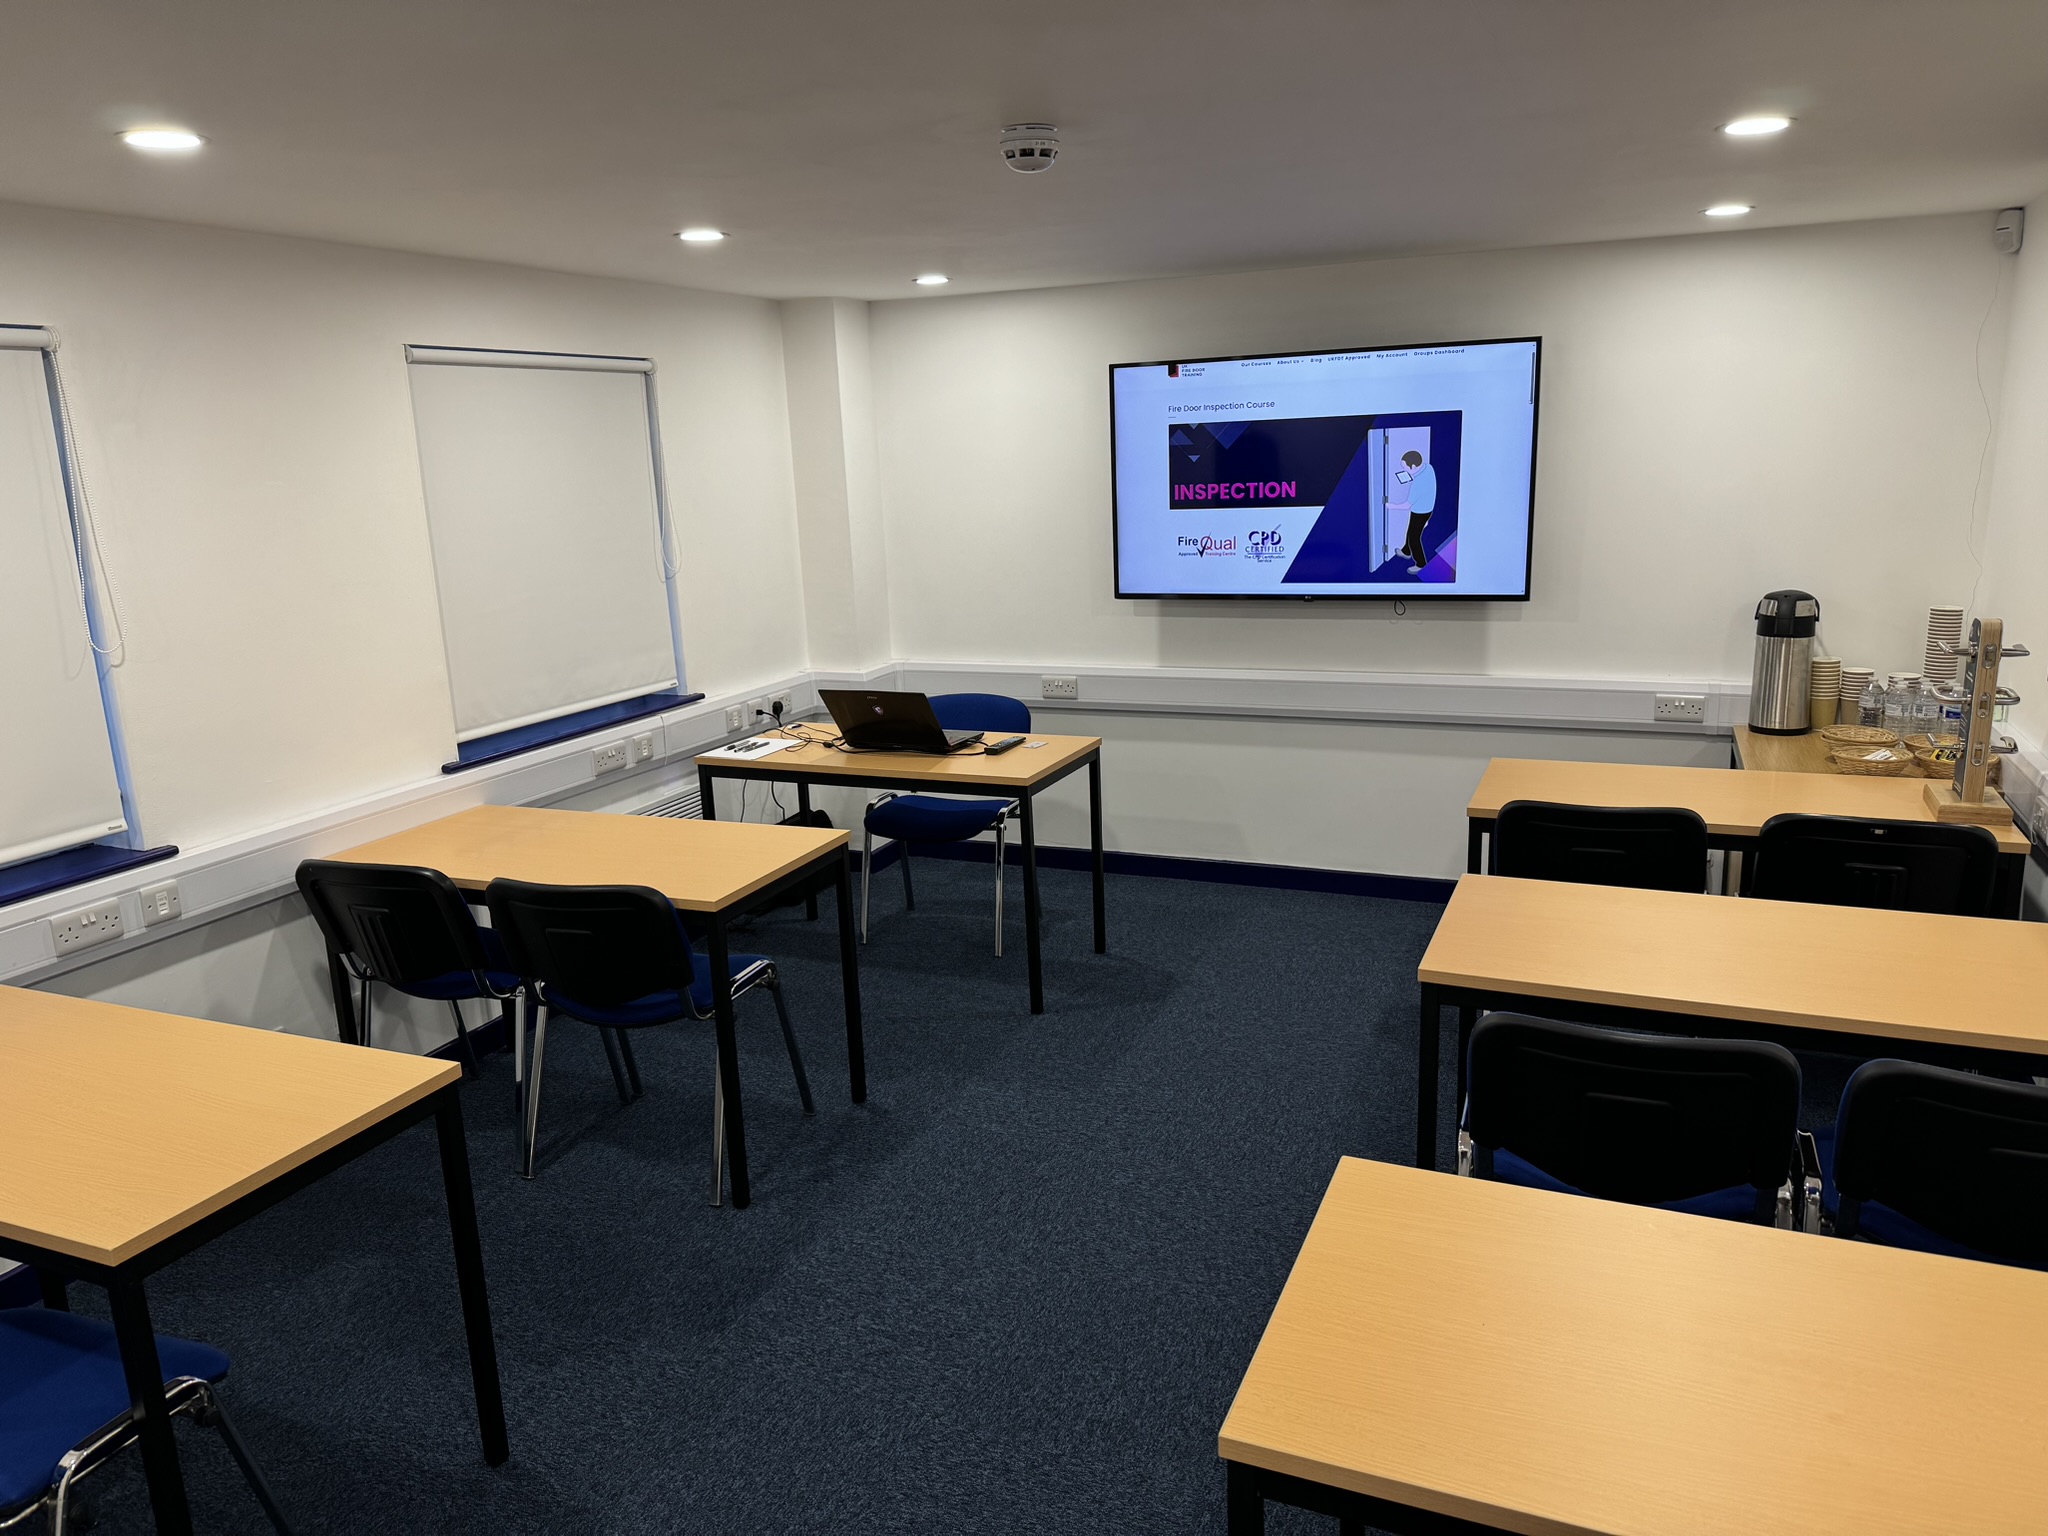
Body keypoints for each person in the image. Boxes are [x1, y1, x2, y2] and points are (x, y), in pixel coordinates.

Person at [1394, 449, 1437, 572]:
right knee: (1411, 530)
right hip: (1428, 508)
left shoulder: (1417, 484)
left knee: (1414, 537)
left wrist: (1391, 505)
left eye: (1406, 467)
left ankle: (1421, 564)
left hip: (1420, 511)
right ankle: (1406, 551)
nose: (1405, 470)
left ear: (1413, 466)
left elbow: (1406, 505)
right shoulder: (1428, 468)